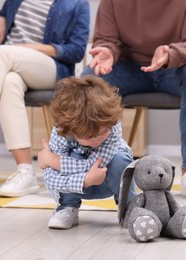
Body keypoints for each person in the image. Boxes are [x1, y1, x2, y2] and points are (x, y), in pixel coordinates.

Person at [0, 0, 90, 197]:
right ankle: (25, 172)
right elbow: (4, 13)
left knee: (2, 52)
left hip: (49, 67)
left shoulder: (77, 3)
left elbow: (76, 50)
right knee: (9, 82)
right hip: (8, 65)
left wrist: (37, 48)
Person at [82, 0, 186, 200]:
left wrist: (171, 54)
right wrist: (108, 51)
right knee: (90, 79)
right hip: (130, 70)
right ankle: (87, 169)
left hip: (173, 69)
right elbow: (106, 39)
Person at [38, 76, 136, 229]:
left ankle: (129, 208)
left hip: (106, 180)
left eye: (103, 132)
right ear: (71, 130)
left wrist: (51, 160)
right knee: (74, 154)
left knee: (120, 159)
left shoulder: (112, 124)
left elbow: (97, 163)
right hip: (75, 187)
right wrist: (85, 180)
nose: (97, 139)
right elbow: (51, 180)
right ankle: (67, 207)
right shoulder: (61, 132)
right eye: (89, 137)